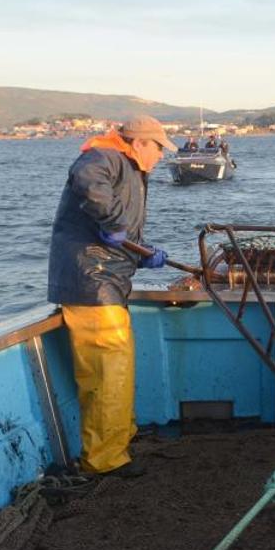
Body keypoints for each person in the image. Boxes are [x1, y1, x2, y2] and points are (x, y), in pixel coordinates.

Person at [47, 115, 177, 478]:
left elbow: (115, 231)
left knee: (117, 369)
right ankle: (103, 461)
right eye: (158, 148)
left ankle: (120, 439)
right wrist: (117, 226)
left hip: (108, 282)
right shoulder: (105, 157)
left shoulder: (129, 167)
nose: (162, 156)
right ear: (138, 144)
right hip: (91, 283)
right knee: (107, 374)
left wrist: (142, 253)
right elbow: (87, 182)